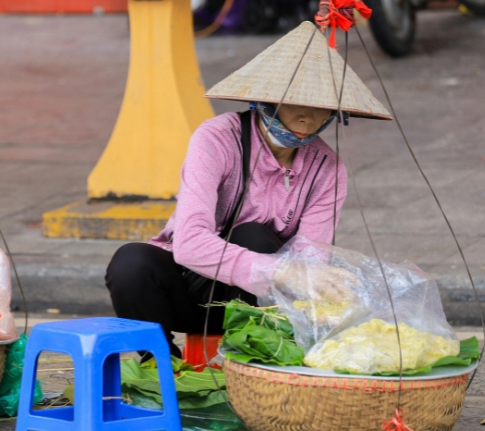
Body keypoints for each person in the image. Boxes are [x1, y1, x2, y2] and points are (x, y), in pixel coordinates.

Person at [104, 22, 392, 357]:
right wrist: (282, 270)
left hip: (261, 305)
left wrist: (312, 283)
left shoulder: (327, 168)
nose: (308, 117)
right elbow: (190, 243)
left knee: (253, 234)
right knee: (131, 263)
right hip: (190, 290)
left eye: (322, 106)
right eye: (296, 102)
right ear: (265, 99)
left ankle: (250, 357)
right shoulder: (216, 138)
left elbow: (310, 258)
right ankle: (160, 363)